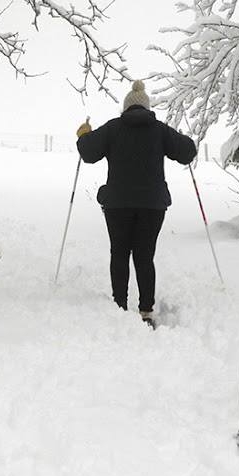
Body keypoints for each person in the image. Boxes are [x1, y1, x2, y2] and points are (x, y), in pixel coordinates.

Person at [76, 80, 197, 328]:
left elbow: (88, 153)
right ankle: (146, 310)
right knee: (144, 255)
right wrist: (184, 140)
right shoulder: (160, 130)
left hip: (117, 204)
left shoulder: (113, 128)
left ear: (126, 107)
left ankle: (119, 305)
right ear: (146, 106)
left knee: (119, 253)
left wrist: (84, 134)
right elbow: (187, 152)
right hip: (153, 205)